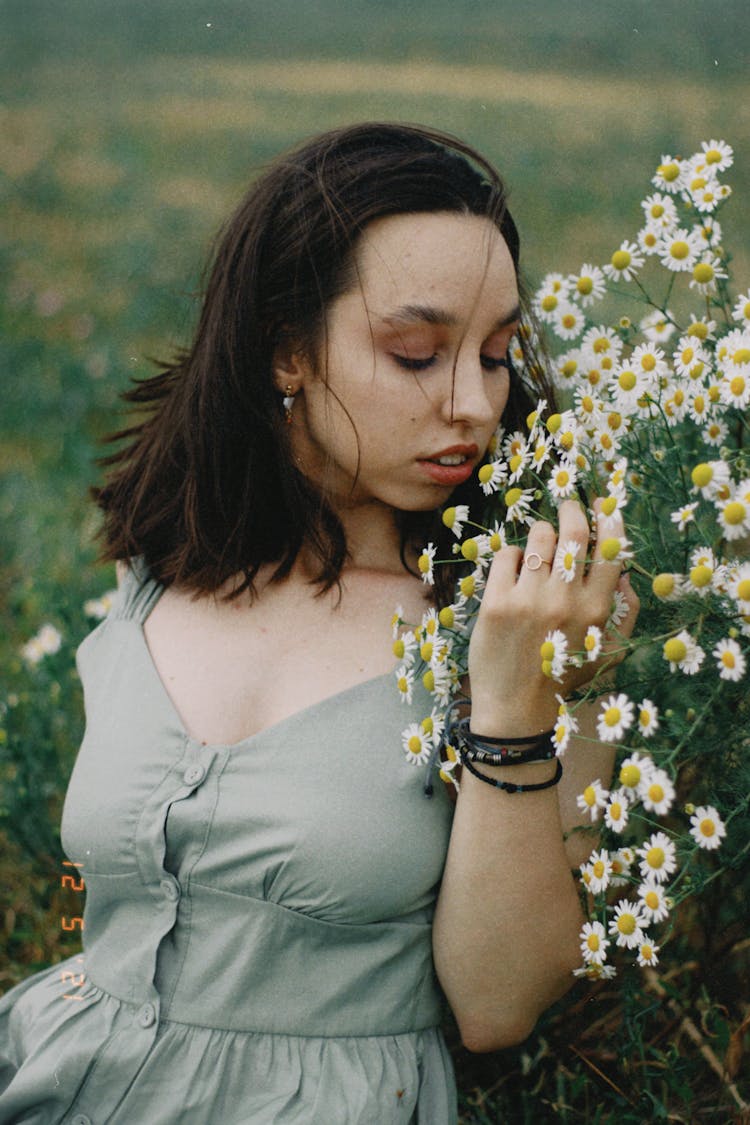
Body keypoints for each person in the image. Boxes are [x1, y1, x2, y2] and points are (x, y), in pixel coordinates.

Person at [0, 122, 638, 1124]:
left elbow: (498, 1005)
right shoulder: (157, 577)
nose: (473, 403)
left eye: (499, 354)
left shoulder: (520, 625)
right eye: (417, 352)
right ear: (287, 349)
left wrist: (518, 699)